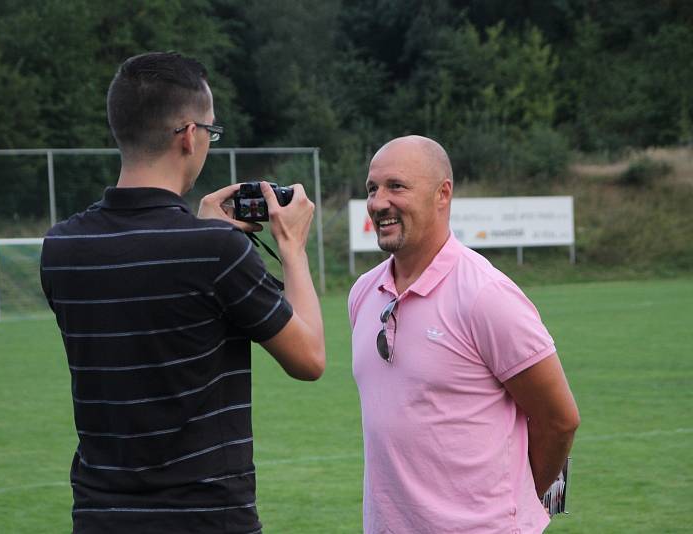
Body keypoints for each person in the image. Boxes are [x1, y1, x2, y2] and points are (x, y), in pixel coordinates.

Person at [40, 51, 325, 534]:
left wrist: (195, 231)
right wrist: (292, 246)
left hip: (100, 517)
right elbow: (310, 358)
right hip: (206, 518)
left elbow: (153, 282)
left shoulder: (63, 245)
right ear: (189, 135)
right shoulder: (216, 251)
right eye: (212, 131)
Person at [348, 135, 580, 533]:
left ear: (442, 194)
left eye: (396, 186)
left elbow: (559, 420)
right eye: (373, 188)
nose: (378, 201)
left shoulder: (486, 295)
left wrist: (512, 503)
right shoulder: (363, 293)